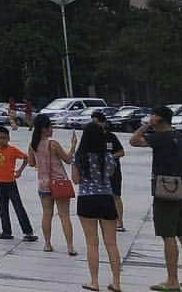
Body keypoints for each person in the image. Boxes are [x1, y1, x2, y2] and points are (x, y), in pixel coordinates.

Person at [130, 105, 182, 292]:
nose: (150, 118)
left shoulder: (159, 137)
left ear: (159, 119)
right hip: (181, 191)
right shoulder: (180, 137)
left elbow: (133, 141)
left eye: (152, 116)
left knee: (168, 236)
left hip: (164, 192)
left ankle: (172, 281)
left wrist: (146, 125)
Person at [72, 120, 121, 292]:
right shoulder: (107, 156)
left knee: (92, 244)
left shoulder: (79, 157)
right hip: (106, 199)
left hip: (86, 200)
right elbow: (111, 173)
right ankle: (116, 282)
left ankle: (94, 282)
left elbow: (76, 180)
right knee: (112, 244)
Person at [27, 114, 77, 256]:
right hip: (59, 183)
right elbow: (68, 159)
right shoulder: (53, 144)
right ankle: (70, 247)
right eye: (50, 126)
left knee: (47, 214)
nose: (52, 129)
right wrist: (73, 146)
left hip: (43, 185)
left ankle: (47, 244)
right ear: (44, 129)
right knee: (64, 216)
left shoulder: (33, 145)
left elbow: (31, 163)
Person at [0, 127, 37, 241]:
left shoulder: (13, 150)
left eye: (4, 138)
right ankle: (6, 232)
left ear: (8, 138)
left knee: (18, 207)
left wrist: (20, 171)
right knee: (2, 209)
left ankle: (28, 232)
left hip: (10, 184)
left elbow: (26, 158)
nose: (1, 140)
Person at [92, 110, 126, 231]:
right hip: (97, 172)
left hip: (113, 171)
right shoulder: (91, 138)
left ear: (104, 123)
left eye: (97, 123)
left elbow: (121, 152)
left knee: (115, 195)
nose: (95, 126)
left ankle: (119, 222)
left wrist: (109, 157)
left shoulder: (111, 137)